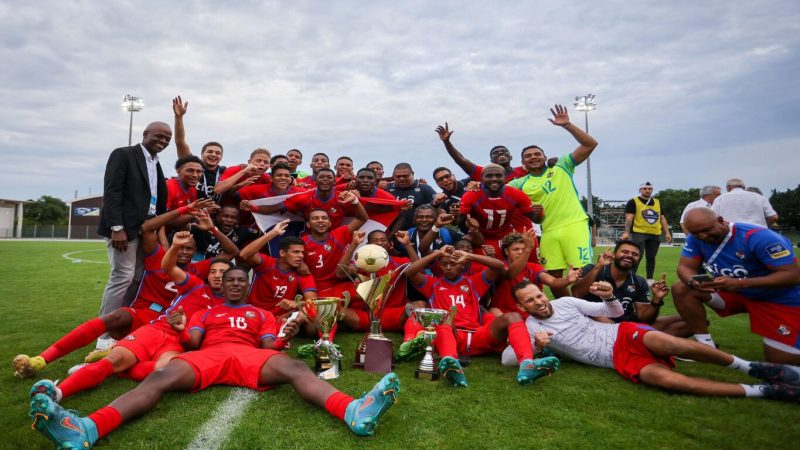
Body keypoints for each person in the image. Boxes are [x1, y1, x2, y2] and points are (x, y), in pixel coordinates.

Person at [28, 266, 401, 449]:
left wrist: (283, 336)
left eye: (242, 281)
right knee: (159, 378)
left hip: (249, 355)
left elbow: (269, 346)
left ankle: (353, 410)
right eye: (231, 281)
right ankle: (88, 428)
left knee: (294, 366)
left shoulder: (261, 314)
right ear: (222, 285)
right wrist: (178, 324)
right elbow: (191, 342)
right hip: (209, 355)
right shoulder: (206, 312)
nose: (236, 284)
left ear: (248, 285)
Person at [13, 200, 230, 378]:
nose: (184, 251)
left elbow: (231, 252)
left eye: (189, 249)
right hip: (143, 314)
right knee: (114, 317)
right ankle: (42, 359)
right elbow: (147, 228)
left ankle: (103, 361)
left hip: (168, 325)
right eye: (181, 247)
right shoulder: (158, 258)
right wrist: (185, 210)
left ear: (195, 251)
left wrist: (211, 228)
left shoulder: (200, 269)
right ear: (173, 245)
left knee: (154, 362)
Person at [502, 280, 800, 402]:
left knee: (670, 343)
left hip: (620, 333)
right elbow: (508, 359)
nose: (539, 302)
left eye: (539, 295)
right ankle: (762, 390)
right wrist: (538, 346)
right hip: (615, 359)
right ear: (522, 307)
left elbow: (613, 313)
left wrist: (608, 297)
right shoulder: (529, 327)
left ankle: (750, 367)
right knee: (663, 380)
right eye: (530, 301)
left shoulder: (566, 301)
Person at [28, 232, 231, 403]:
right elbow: (168, 266)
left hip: (177, 344)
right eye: (213, 271)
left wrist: (185, 333)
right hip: (155, 329)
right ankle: (58, 392)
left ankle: (123, 367)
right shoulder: (195, 284)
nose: (216, 275)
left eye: (222, 272)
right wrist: (175, 245)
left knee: (168, 370)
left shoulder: (228, 307)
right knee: (112, 359)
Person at [400, 245, 560, 386]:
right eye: (444, 264)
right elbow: (410, 272)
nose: (448, 267)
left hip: (478, 336)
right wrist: (436, 254)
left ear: (462, 264)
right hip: (452, 337)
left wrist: (470, 255)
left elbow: (498, 266)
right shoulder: (432, 284)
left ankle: (527, 365)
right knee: (444, 319)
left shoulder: (473, 282)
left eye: (453, 263)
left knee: (512, 317)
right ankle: (451, 364)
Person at [671, 208, 800, 364]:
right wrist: (693, 282)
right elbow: (684, 267)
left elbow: (793, 275)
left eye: (706, 230)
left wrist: (740, 283)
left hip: (775, 298)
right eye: (696, 233)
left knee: (780, 359)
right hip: (734, 293)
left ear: (720, 220)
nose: (703, 236)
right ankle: (705, 347)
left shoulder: (759, 237)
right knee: (682, 288)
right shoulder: (695, 238)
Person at [96, 121, 171, 349]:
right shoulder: (124, 154)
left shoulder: (156, 163)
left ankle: (120, 327)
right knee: (123, 277)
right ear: (145, 133)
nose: (163, 140)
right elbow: (112, 190)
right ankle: (103, 334)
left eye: (167, 138)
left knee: (137, 279)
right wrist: (116, 227)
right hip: (124, 230)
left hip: (145, 229)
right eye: (159, 135)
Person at [508, 104, 599, 283]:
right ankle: (564, 309)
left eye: (537, 154)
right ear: (523, 163)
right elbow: (494, 189)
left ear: (544, 156)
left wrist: (567, 125)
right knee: (553, 277)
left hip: (574, 224)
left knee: (583, 272)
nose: (533, 157)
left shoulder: (562, 166)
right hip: (548, 231)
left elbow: (590, 144)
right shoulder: (520, 183)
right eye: (528, 156)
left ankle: (587, 309)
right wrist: (474, 186)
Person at [571, 240, 690, 337]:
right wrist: (599, 266)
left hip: (629, 325)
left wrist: (657, 299)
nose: (629, 255)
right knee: (603, 320)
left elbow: (644, 318)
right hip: (598, 323)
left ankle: (644, 341)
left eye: (634, 254)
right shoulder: (593, 268)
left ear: (638, 259)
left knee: (692, 321)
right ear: (614, 254)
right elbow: (576, 293)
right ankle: (648, 341)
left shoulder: (639, 281)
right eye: (625, 251)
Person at [459, 163, 541, 261]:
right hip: (481, 238)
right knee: (480, 268)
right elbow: (458, 220)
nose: (494, 179)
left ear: (505, 177)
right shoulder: (471, 195)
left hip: (506, 237)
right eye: (489, 176)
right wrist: (456, 216)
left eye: (498, 176)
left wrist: (538, 213)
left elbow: (535, 219)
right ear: (481, 178)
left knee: (525, 262)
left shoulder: (516, 194)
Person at [238, 223, 318, 319]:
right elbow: (243, 254)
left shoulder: (302, 272)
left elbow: (313, 302)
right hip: (254, 314)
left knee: (306, 313)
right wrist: (273, 233)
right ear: (282, 253)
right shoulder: (267, 263)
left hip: (281, 317)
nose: (301, 256)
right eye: (296, 252)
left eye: (302, 252)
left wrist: (296, 303)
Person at [172, 96, 226, 201]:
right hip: (191, 213)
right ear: (202, 154)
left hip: (217, 214)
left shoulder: (224, 172)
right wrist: (179, 118)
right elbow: (180, 142)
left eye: (218, 153)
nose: (214, 154)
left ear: (221, 157)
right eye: (210, 151)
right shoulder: (192, 165)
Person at [435, 123, 527, 183]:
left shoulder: (524, 171)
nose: (500, 153)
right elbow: (461, 160)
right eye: (496, 153)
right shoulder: (483, 173)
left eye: (504, 151)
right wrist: (446, 142)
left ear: (511, 157)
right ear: (491, 160)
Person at [621, 182, 672, 283]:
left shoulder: (657, 202)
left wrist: (667, 233)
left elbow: (662, 218)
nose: (647, 190)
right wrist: (627, 232)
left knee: (651, 257)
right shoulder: (633, 201)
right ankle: (631, 277)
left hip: (655, 233)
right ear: (640, 190)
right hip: (638, 232)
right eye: (644, 188)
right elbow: (629, 218)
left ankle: (649, 278)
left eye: (649, 189)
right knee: (636, 256)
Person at [387, 163, 437, 230]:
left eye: (405, 176)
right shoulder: (386, 188)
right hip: (391, 232)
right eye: (398, 176)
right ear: (393, 176)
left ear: (412, 174)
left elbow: (437, 209)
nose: (401, 178)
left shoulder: (425, 189)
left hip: (418, 233)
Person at [712, 178, 779, 228]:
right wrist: (764, 225)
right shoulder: (760, 197)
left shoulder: (719, 199)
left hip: (731, 233)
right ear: (744, 187)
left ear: (728, 187)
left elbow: (712, 217)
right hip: (757, 232)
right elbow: (774, 217)